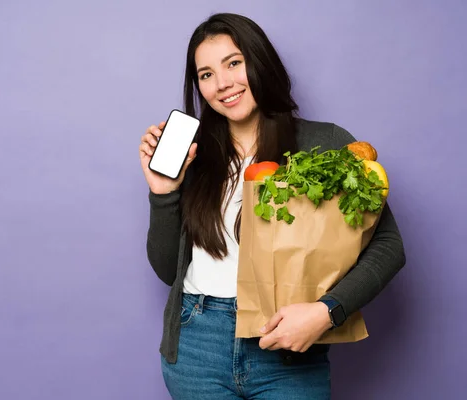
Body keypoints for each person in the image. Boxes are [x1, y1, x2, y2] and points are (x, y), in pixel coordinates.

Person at [138, 12, 405, 400]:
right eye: (206, 74)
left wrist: (326, 311)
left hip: (287, 346)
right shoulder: (194, 158)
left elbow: (388, 246)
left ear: (259, 61)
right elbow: (167, 270)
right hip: (197, 345)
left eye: (234, 63)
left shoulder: (325, 142)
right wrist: (164, 192)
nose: (222, 83)